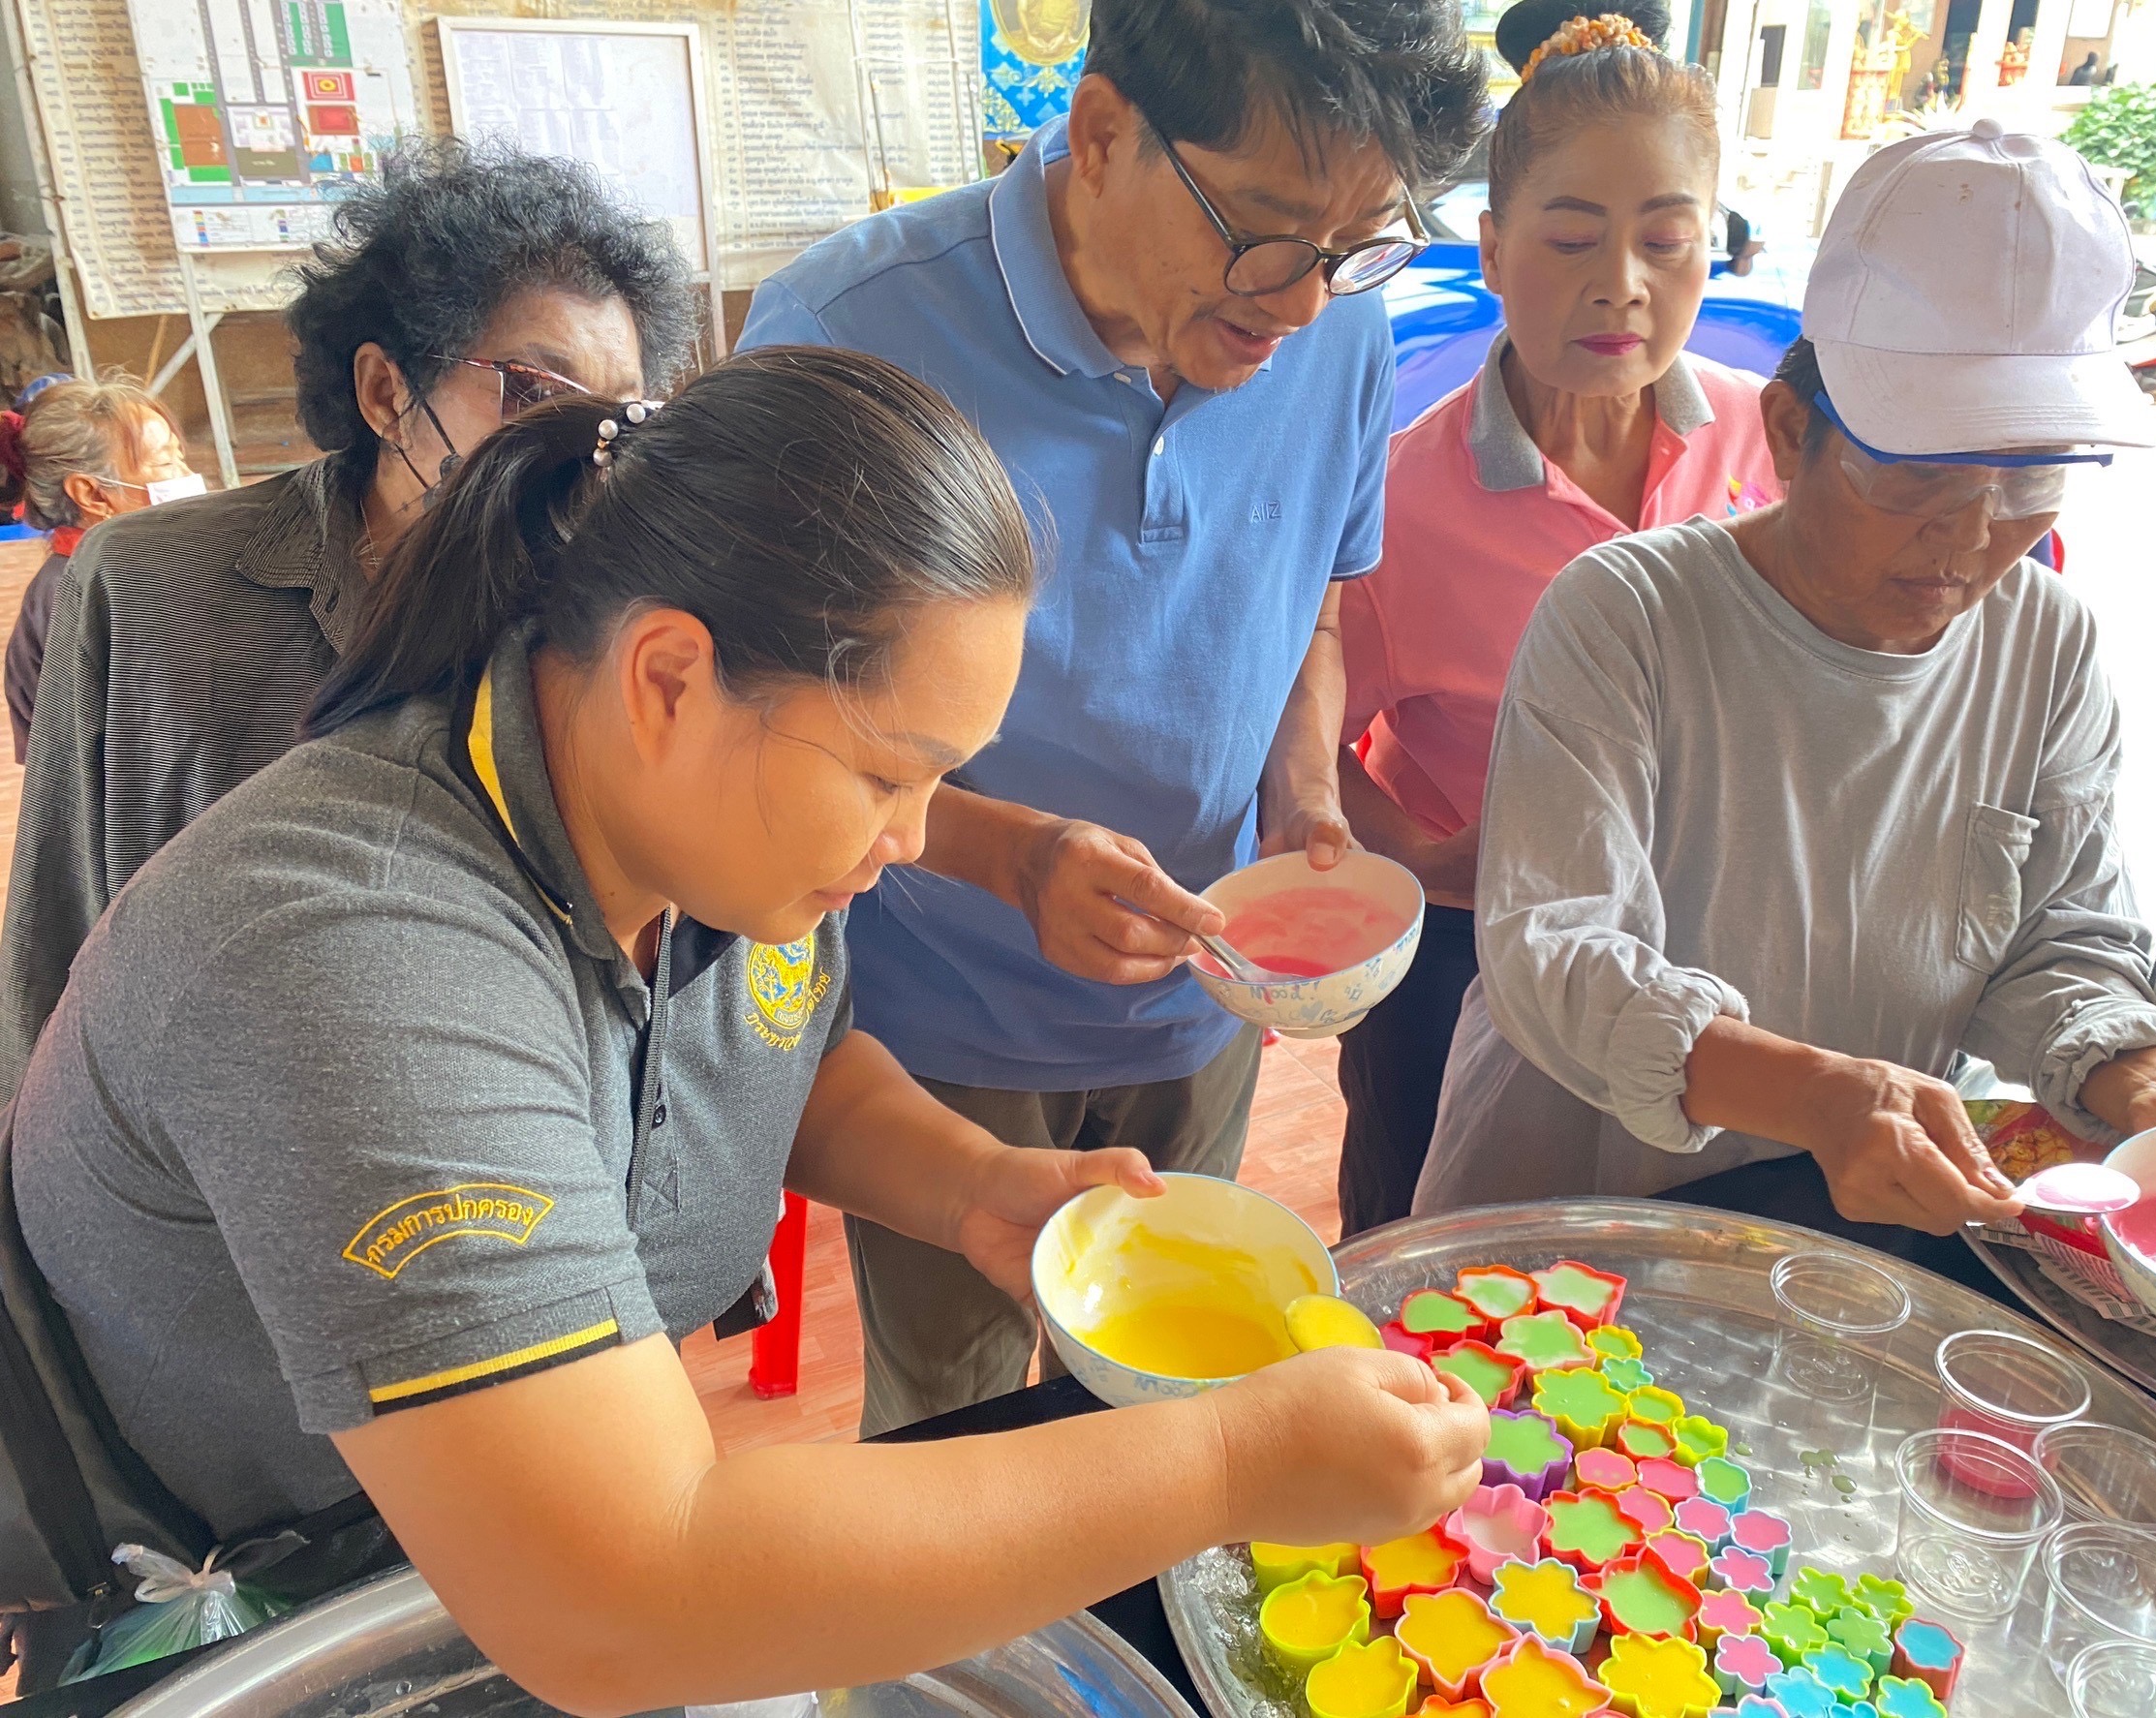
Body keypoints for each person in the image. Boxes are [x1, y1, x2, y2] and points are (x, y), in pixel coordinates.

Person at [11, 350, 1490, 1709]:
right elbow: (627, 1589)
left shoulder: (704, 826)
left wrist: (978, 1186)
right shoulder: (357, 960)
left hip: (517, 1519)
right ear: (669, 674)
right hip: (280, 1600)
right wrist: (1236, 1457)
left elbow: (780, 1057)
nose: (913, 838)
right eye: (888, 774)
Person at [740, 0, 1486, 1432]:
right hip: (936, 1029)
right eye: (1264, 230)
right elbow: (778, 730)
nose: (1301, 300)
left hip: (1199, 1010)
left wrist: (1304, 794)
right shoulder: (851, 333)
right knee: (952, 1436)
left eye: (1358, 245)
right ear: (1100, 131)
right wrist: (1016, 858)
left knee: (1167, 1399)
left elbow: (1311, 598)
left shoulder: (1335, 331)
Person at [1413, 122, 2156, 1276]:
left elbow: (2057, 936)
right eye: (1916, 471)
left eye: (2029, 475)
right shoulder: (1629, 613)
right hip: (1580, 1217)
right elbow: (1556, 950)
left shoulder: (2047, 645)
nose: (1972, 535)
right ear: (1789, 434)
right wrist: (1817, 1094)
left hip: (1850, 1239)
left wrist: (2147, 1082)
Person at [0, 139, 693, 1099]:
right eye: (534, 393)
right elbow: (56, 941)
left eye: (620, 418)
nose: (575, 450)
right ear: (383, 391)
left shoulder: (613, 621)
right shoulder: (154, 591)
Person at [1333, 0, 1778, 1236]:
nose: (1620, 288)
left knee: (1663, 1244)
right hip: (1465, 962)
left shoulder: (1769, 439)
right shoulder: (1401, 500)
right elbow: (1306, 736)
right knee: (1424, 1242)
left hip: (1708, 946)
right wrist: (1421, 864)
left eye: (1668, 242)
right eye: (1571, 239)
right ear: (1487, 246)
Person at [0, 374, 198, 762]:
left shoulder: (132, 570)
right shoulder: (87, 594)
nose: (185, 475)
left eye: (180, 456)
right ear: (92, 493)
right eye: (164, 462)